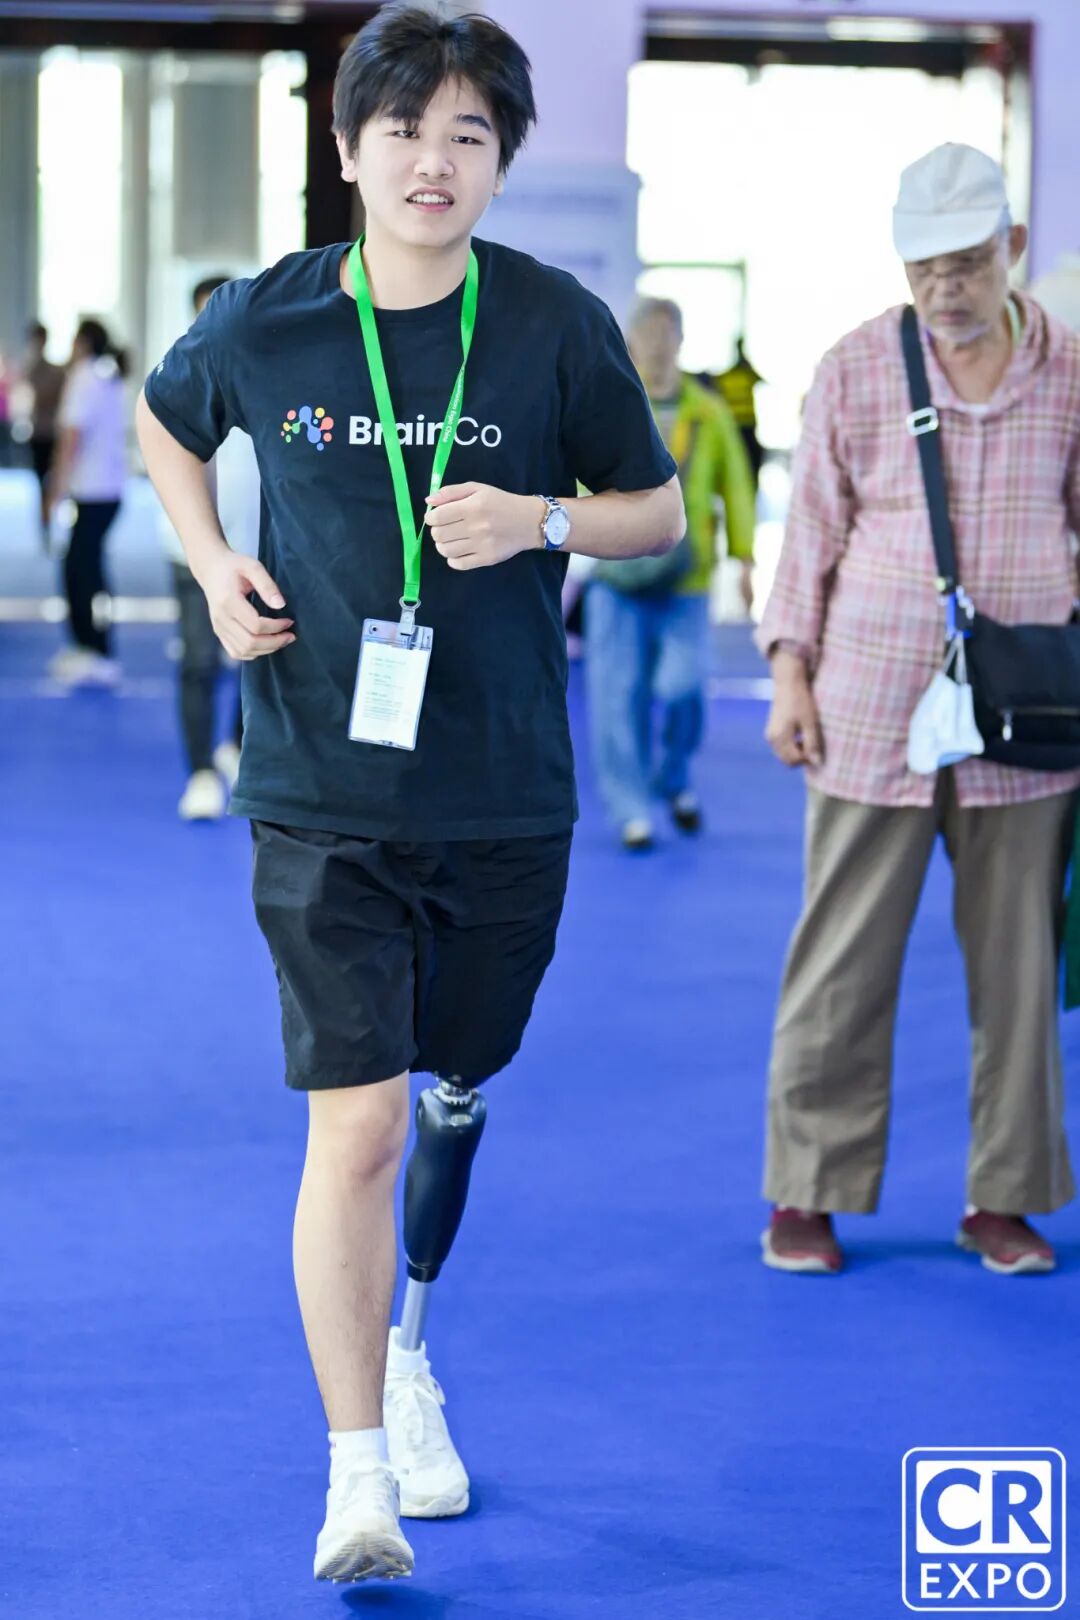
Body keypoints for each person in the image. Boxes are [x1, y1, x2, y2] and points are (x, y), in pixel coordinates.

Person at [136, 1, 683, 1587]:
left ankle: (412, 1343)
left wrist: (541, 521)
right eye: (403, 132)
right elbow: (172, 428)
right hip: (319, 780)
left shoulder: (553, 323)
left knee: (455, 1082)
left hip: (504, 788)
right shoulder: (270, 318)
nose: (432, 163)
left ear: (501, 159)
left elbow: (651, 513)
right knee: (359, 1122)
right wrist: (212, 560)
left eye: (467, 136)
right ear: (347, 148)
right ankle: (357, 1471)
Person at [756, 142, 1080, 1278]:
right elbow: (810, 533)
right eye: (924, 267)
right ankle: (807, 1191)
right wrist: (788, 673)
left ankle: (1006, 1198)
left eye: (967, 263)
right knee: (840, 959)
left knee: (1020, 972)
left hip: (1033, 719)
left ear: (1013, 250)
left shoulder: (1071, 373)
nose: (945, 287)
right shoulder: (856, 369)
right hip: (869, 702)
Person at [586, 296, 755, 850]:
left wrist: (745, 558)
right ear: (631, 341)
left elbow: (736, 485)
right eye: (649, 335)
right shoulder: (605, 402)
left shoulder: (707, 412)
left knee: (685, 688)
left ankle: (674, 778)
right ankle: (631, 810)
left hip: (687, 577)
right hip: (617, 576)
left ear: (681, 341)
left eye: (668, 334)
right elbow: (573, 473)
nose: (659, 346)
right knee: (617, 698)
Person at [163, 275, 258, 822]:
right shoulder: (175, 375)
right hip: (192, 551)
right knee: (199, 661)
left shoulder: (270, 369)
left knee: (260, 655)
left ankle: (237, 745)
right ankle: (200, 771)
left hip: (262, 547)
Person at [46, 318, 128, 687]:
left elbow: (71, 439)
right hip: (108, 490)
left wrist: (54, 489)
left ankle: (96, 649)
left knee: (83, 573)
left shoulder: (84, 379)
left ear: (82, 343)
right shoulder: (109, 377)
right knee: (84, 569)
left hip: (94, 492)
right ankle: (90, 646)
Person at [21, 321, 66, 546]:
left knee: (53, 481)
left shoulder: (52, 371)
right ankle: (46, 522)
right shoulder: (31, 369)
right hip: (38, 432)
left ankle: (50, 518)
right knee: (42, 482)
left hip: (51, 431)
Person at [714, 335, 765, 490]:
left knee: (753, 458)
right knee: (737, 461)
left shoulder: (747, 373)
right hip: (734, 428)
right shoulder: (726, 376)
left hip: (748, 426)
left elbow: (762, 380)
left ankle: (752, 488)